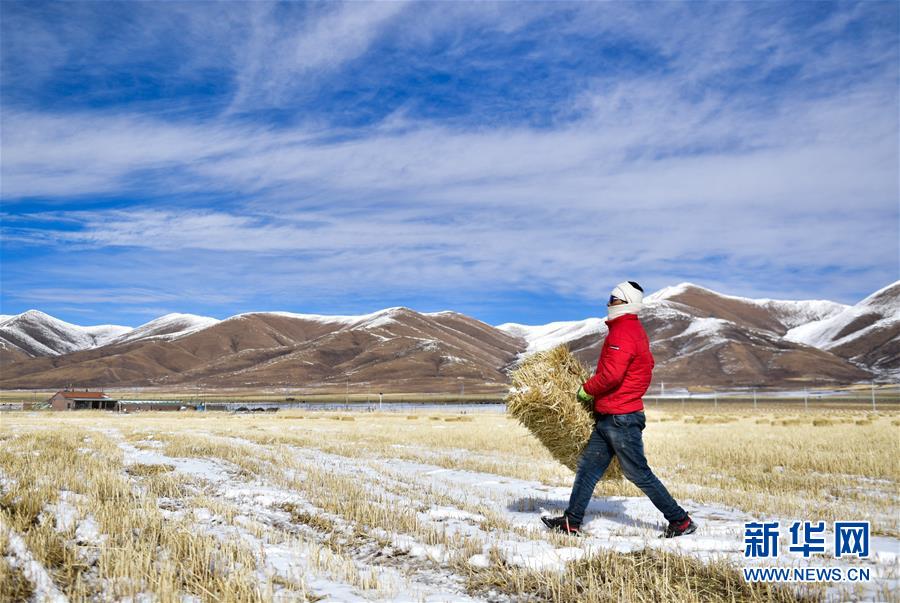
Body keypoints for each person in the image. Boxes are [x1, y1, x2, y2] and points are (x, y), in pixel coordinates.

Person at [541, 281, 696, 538]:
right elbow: (646, 365)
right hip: (612, 416)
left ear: (625, 302)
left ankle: (680, 521)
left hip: (621, 418)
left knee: (638, 473)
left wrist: (587, 389)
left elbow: (611, 375)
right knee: (588, 469)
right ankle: (572, 522)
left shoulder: (622, 332)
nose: (608, 302)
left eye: (613, 298)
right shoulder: (633, 330)